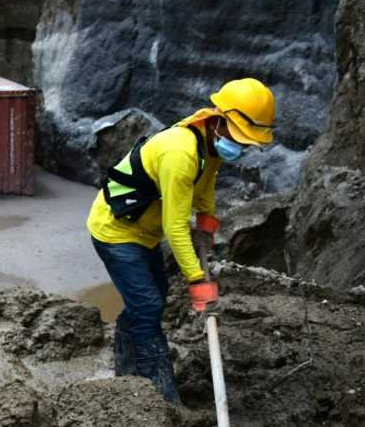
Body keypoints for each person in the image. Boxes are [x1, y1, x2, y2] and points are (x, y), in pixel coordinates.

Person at [86, 78, 277, 404]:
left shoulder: (210, 143)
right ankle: (160, 399)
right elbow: (175, 227)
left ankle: (126, 373)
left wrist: (207, 226)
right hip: (115, 232)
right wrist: (197, 280)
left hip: (143, 232)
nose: (242, 148)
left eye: (247, 143)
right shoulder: (181, 152)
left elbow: (204, 191)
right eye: (241, 139)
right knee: (148, 306)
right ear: (220, 119)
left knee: (149, 300)